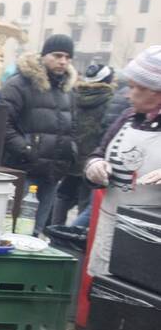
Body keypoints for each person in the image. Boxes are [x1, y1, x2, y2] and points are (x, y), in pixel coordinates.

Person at [83, 46, 161, 276]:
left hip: (150, 240)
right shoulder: (127, 117)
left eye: (136, 88)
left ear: (157, 92)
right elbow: (98, 153)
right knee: (104, 292)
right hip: (110, 229)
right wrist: (94, 167)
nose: (128, 94)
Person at [0, 34, 78, 235]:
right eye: (57, 55)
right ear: (44, 55)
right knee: (12, 231)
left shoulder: (66, 90)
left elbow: (71, 125)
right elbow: (1, 123)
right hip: (24, 169)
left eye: (68, 57)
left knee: (35, 232)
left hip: (52, 172)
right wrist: (25, 149)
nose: (63, 62)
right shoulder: (18, 84)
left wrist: (71, 151)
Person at [52, 64, 117, 226]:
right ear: (108, 80)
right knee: (85, 200)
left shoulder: (73, 94)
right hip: (92, 160)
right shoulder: (110, 99)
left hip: (71, 155)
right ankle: (77, 237)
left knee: (63, 195)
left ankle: (54, 231)